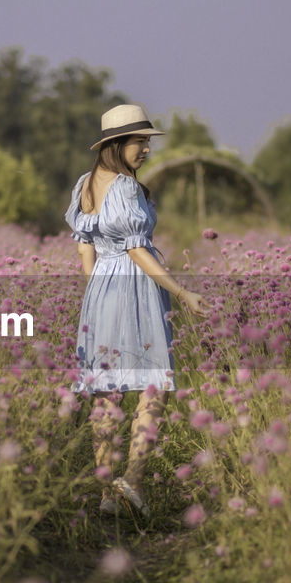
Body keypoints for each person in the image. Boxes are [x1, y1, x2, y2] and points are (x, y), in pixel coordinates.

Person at [65, 104, 207, 519]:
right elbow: (136, 248)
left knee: (106, 395)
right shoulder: (126, 187)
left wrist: (97, 288)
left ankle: (107, 495)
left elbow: (84, 246)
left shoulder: (85, 185)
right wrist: (181, 292)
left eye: (147, 141)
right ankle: (134, 479)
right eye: (139, 141)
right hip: (135, 288)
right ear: (116, 144)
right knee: (153, 387)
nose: (146, 149)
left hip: (101, 291)